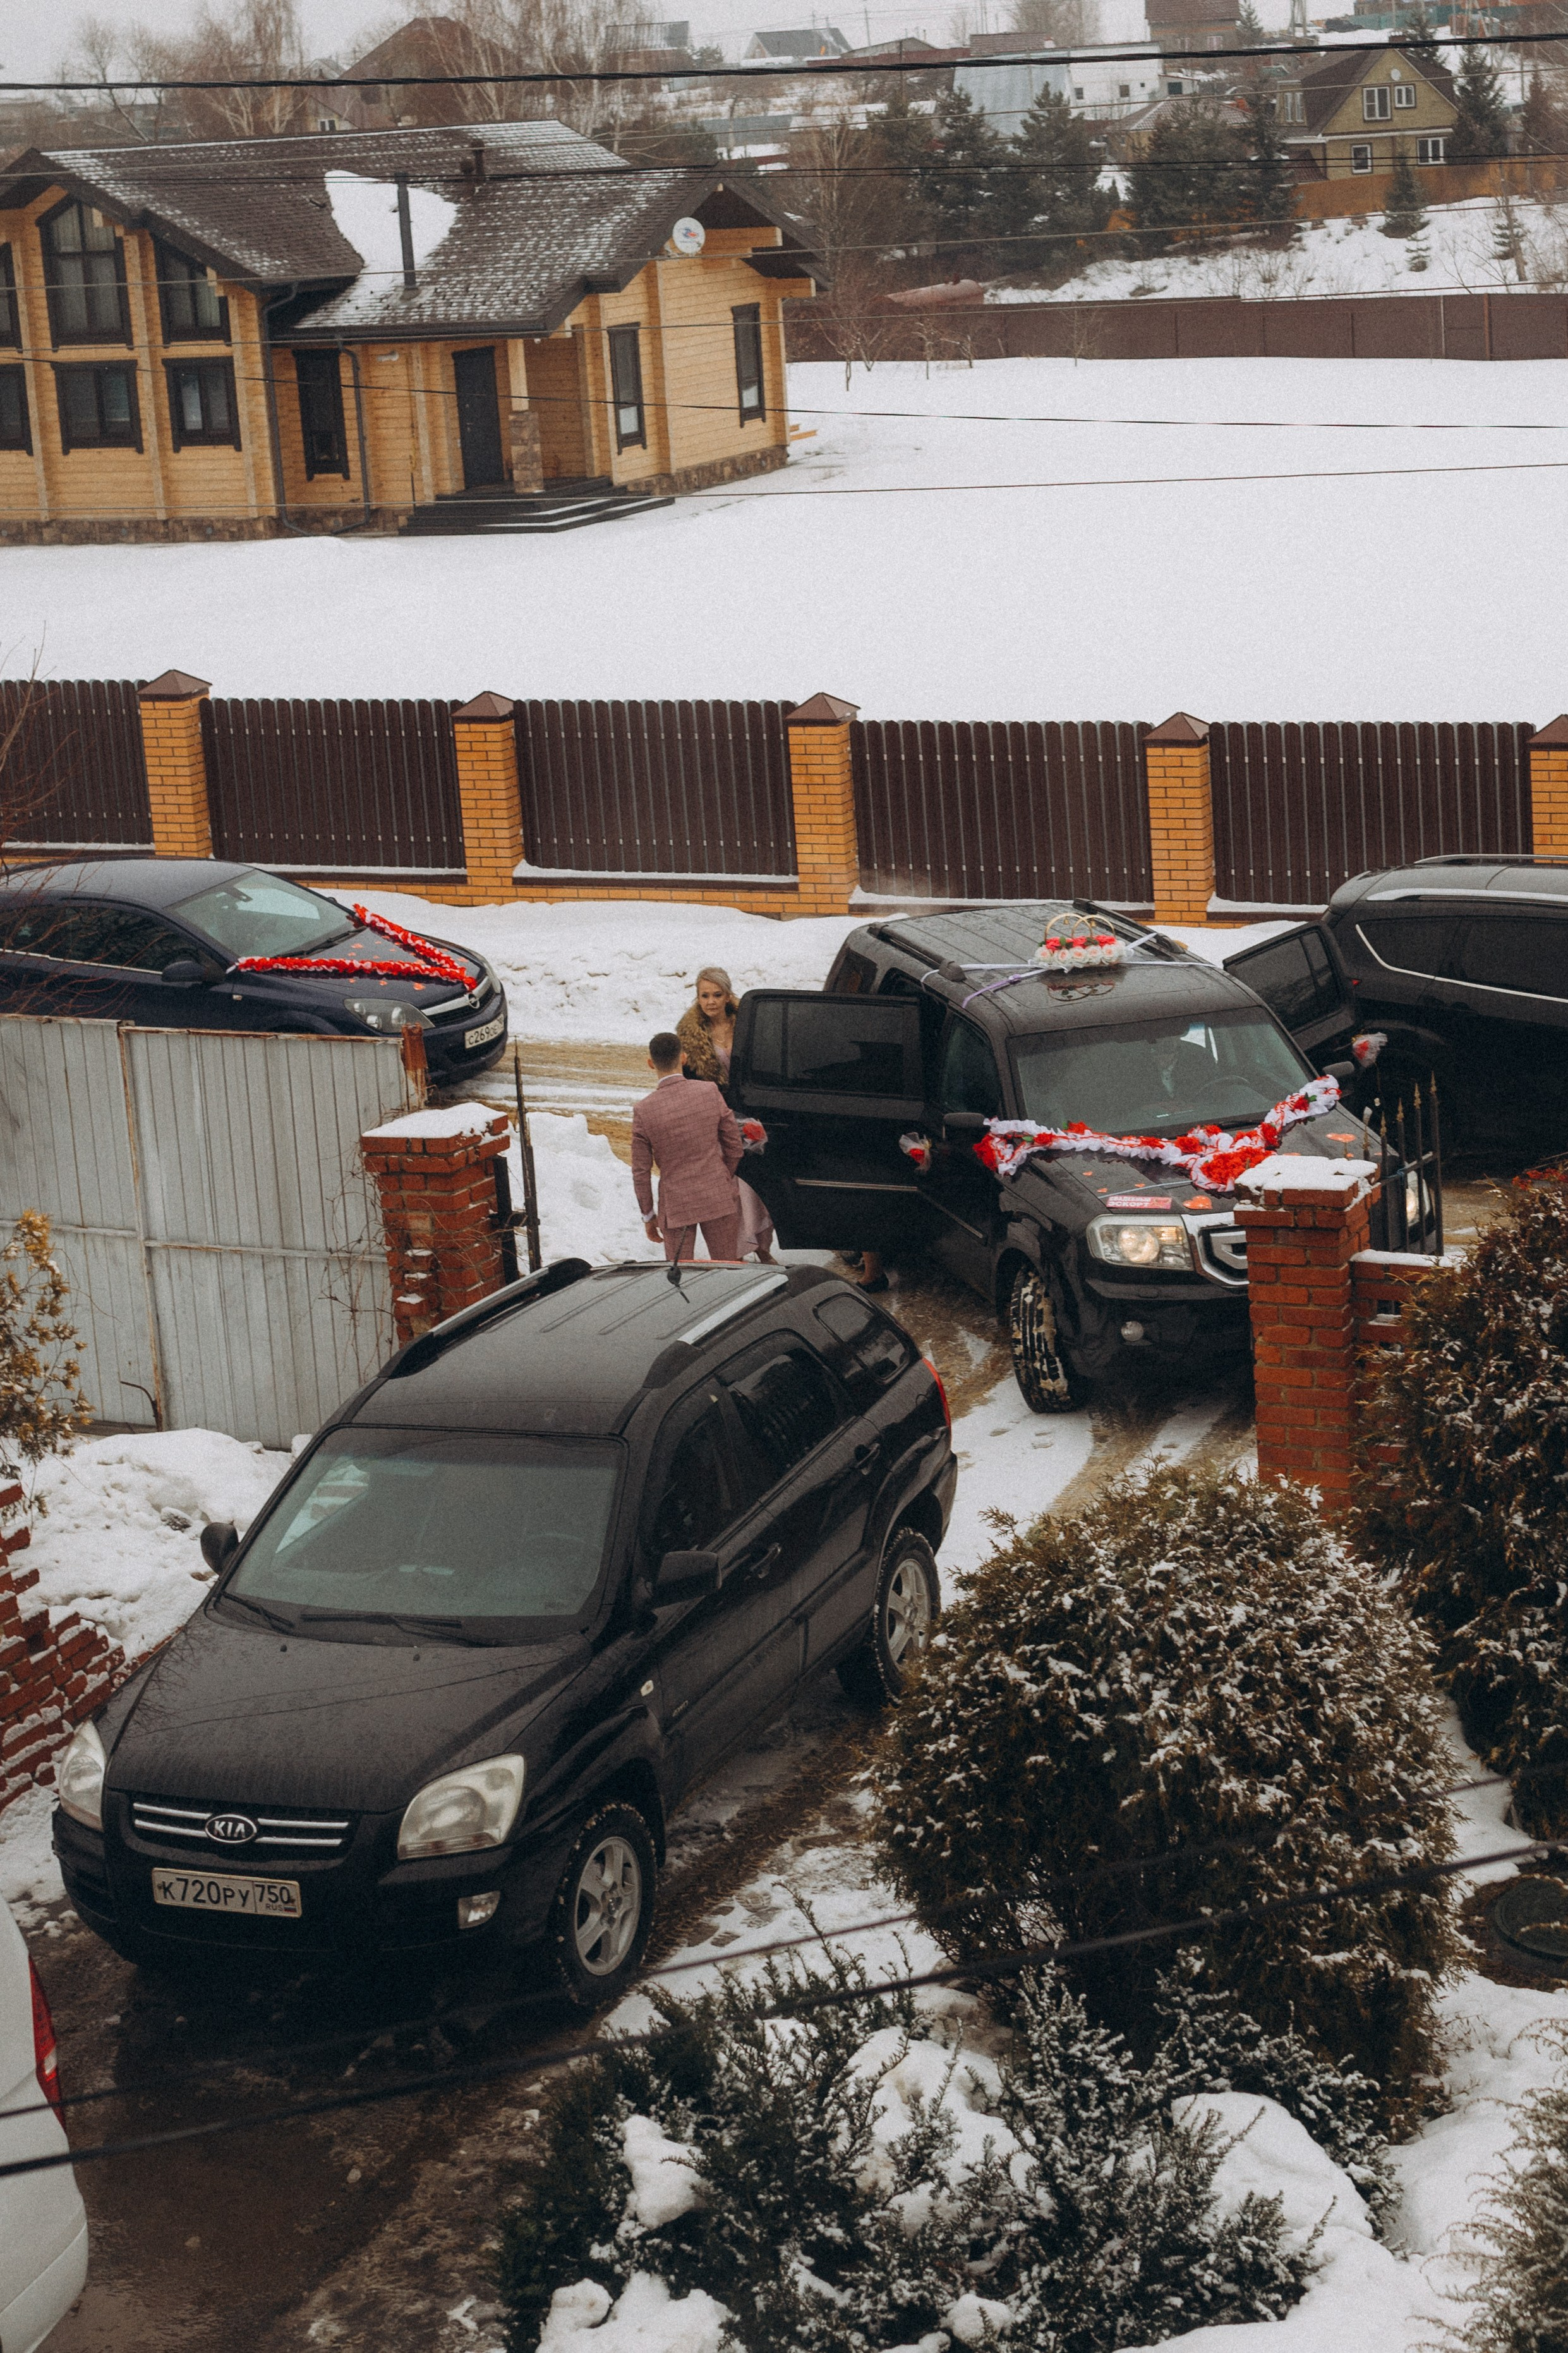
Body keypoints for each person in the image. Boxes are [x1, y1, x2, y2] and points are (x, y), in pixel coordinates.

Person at [677, 965, 778, 1265]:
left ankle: (761, 1247)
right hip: (716, 1118)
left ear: (727, 995)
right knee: (729, 1188)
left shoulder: (746, 1024)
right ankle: (737, 1253)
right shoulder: (690, 1036)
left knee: (753, 1186)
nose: (710, 1002)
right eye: (704, 996)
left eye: (716, 995)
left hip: (752, 1114)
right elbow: (688, 1082)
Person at [631, 1029, 744, 1264]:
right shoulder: (709, 1091)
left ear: (651, 1064)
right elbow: (734, 1145)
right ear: (683, 1058)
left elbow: (641, 1171)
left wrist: (648, 1215)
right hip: (717, 1194)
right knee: (728, 1269)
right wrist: (723, 1175)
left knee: (679, 1273)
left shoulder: (644, 1110)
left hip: (676, 1204)